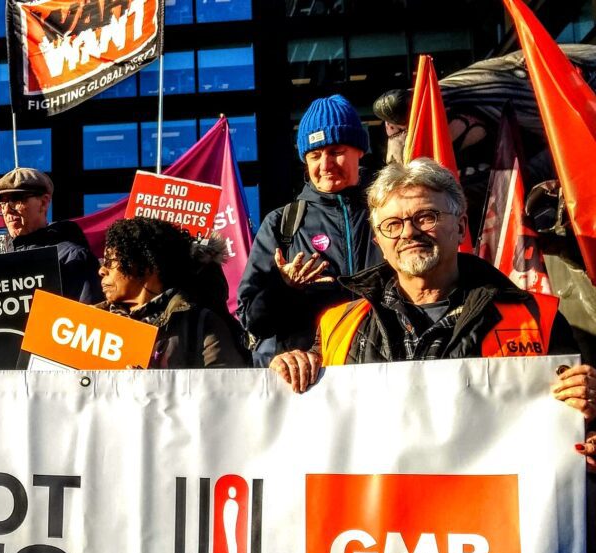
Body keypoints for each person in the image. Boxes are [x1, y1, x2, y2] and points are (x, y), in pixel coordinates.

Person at [267, 158, 595, 461]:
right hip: (375, 519)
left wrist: (590, 413)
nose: (409, 232)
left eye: (426, 217)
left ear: (461, 226)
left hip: (489, 516)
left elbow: (577, 422)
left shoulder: (536, 318)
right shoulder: (337, 325)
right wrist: (289, 372)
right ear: (379, 240)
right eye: (392, 225)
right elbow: (307, 430)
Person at [238, 94, 381, 364]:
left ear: (360, 151)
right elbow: (252, 321)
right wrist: (283, 286)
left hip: (382, 371)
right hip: (313, 380)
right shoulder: (283, 223)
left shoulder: (388, 214)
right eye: (314, 155)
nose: (325, 166)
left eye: (336, 152)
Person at [97, 218, 249, 369]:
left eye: (110, 262)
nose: (102, 271)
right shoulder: (87, 322)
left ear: (149, 267)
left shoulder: (202, 325)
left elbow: (222, 389)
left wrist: (154, 385)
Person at [0, 167, 103, 304]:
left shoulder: (73, 257)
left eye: (15, 201)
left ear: (43, 203)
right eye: (1, 204)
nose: (7, 211)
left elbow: (87, 319)